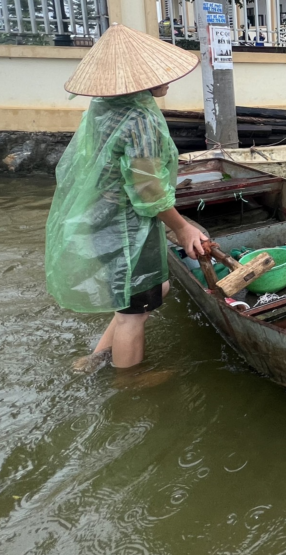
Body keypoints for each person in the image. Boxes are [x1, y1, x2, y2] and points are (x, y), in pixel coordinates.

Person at [46, 24, 211, 371]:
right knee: (133, 313)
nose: (168, 79)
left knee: (155, 288)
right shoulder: (140, 119)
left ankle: (96, 358)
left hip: (101, 215)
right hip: (123, 224)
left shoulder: (105, 106)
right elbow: (148, 191)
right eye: (159, 74)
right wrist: (182, 228)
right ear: (140, 80)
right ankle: (128, 386)